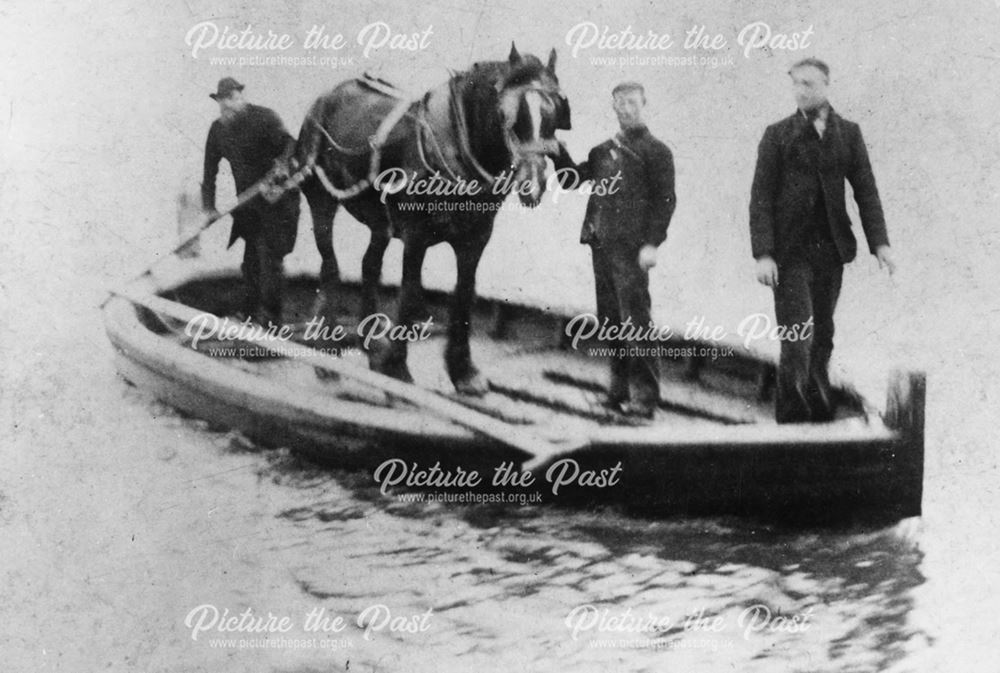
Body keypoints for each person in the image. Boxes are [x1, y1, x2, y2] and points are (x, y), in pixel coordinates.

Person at [749, 58, 896, 423]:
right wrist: (763, 254)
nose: (801, 91)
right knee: (797, 337)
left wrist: (880, 244)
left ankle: (817, 409)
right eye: (796, 84)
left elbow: (866, 191)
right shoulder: (777, 134)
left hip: (830, 251)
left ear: (827, 85)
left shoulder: (848, 133)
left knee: (823, 335)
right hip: (789, 254)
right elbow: (761, 198)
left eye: (809, 84)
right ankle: (792, 420)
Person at [555, 81, 676, 418]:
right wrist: (555, 150)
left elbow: (665, 203)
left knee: (636, 322)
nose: (626, 108)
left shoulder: (657, 151)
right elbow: (569, 180)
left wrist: (652, 244)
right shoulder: (601, 151)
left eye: (632, 102)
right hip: (600, 245)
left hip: (632, 250)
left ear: (644, 103)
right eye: (620, 102)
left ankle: (644, 398)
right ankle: (617, 391)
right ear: (613, 107)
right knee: (610, 322)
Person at [202, 77, 300, 326]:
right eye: (223, 101)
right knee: (250, 263)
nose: (228, 105)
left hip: (277, 201)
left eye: (232, 98)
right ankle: (249, 314)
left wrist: (280, 167)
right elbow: (209, 171)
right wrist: (209, 208)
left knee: (270, 261)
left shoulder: (265, 118)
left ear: (241, 97)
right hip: (247, 207)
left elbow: (291, 145)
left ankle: (270, 321)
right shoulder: (218, 130)